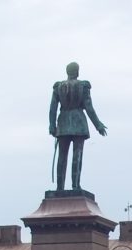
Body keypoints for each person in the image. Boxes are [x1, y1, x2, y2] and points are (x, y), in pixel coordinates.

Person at [49, 61, 107, 193]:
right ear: (77, 72)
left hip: (63, 122)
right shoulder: (82, 86)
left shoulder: (58, 87)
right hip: (79, 122)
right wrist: (98, 125)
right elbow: (89, 107)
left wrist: (52, 125)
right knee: (77, 154)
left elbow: (53, 109)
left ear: (67, 72)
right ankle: (75, 185)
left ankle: (60, 187)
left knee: (62, 156)